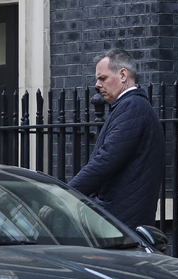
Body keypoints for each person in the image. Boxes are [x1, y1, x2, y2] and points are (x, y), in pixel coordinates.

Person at [69, 49, 165, 229]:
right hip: (124, 220)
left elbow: (105, 160)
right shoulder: (131, 107)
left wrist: (65, 194)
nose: (97, 85)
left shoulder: (132, 107)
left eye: (102, 78)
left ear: (122, 75)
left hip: (122, 225)